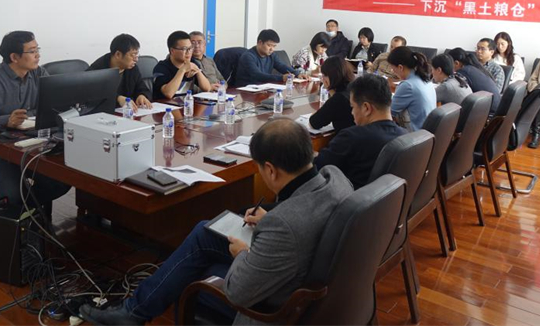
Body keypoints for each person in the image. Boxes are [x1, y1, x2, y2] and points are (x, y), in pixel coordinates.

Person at [79, 119, 353, 325]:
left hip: (278, 306)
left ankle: (133, 313)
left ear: (270, 169)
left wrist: (242, 254)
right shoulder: (335, 179)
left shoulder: (283, 225)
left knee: (196, 273)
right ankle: (132, 312)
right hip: (309, 271)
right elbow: (301, 219)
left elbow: (238, 293)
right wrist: (270, 218)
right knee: (205, 231)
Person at [0, 31, 70, 215]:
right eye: (32, 51)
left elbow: (53, 104)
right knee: (13, 194)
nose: (38, 55)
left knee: (60, 181)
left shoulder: (39, 73)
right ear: (14, 57)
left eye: (38, 49)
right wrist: (5, 121)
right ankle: (15, 217)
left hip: (29, 142)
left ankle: (27, 216)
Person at [313, 74, 406, 189]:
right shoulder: (405, 136)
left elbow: (316, 168)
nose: (352, 112)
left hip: (347, 197)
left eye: (352, 107)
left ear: (366, 108)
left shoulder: (351, 137)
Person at [87, 34, 152, 111]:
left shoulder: (132, 68)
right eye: (132, 55)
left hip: (127, 114)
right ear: (118, 54)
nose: (136, 59)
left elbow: (142, 88)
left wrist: (142, 95)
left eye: (137, 54)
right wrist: (117, 98)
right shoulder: (97, 71)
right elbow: (93, 96)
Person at [387, 46, 437, 131]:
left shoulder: (408, 85)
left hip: (414, 134)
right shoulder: (426, 79)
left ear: (400, 67)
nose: (393, 71)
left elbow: (389, 112)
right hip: (426, 133)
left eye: (393, 68)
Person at [153, 31, 211, 99]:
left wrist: (197, 70)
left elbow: (207, 88)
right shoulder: (161, 68)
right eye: (184, 49)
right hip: (165, 104)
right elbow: (168, 94)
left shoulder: (193, 63)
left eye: (190, 48)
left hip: (187, 103)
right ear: (172, 51)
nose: (189, 52)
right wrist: (182, 70)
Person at [235, 29, 303, 87]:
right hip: (246, 91)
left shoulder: (271, 55)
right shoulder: (248, 56)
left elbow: (282, 66)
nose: (272, 49)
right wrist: (282, 78)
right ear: (260, 42)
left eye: (274, 46)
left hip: (263, 88)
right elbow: (258, 75)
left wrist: (297, 74)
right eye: (269, 45)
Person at [309, 57, 356, 135]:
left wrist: (330, 90)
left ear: (330, 77)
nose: (322, 79)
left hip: (347, 140)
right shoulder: (354, 88)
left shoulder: (338, 98)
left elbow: (314, 122)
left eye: (324, 76)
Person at [447, 48, 501, 114]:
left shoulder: (463, 72)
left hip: (487, 113)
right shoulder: (475, 68)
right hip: (495, 110)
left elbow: (455, 90)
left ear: (456, 63)